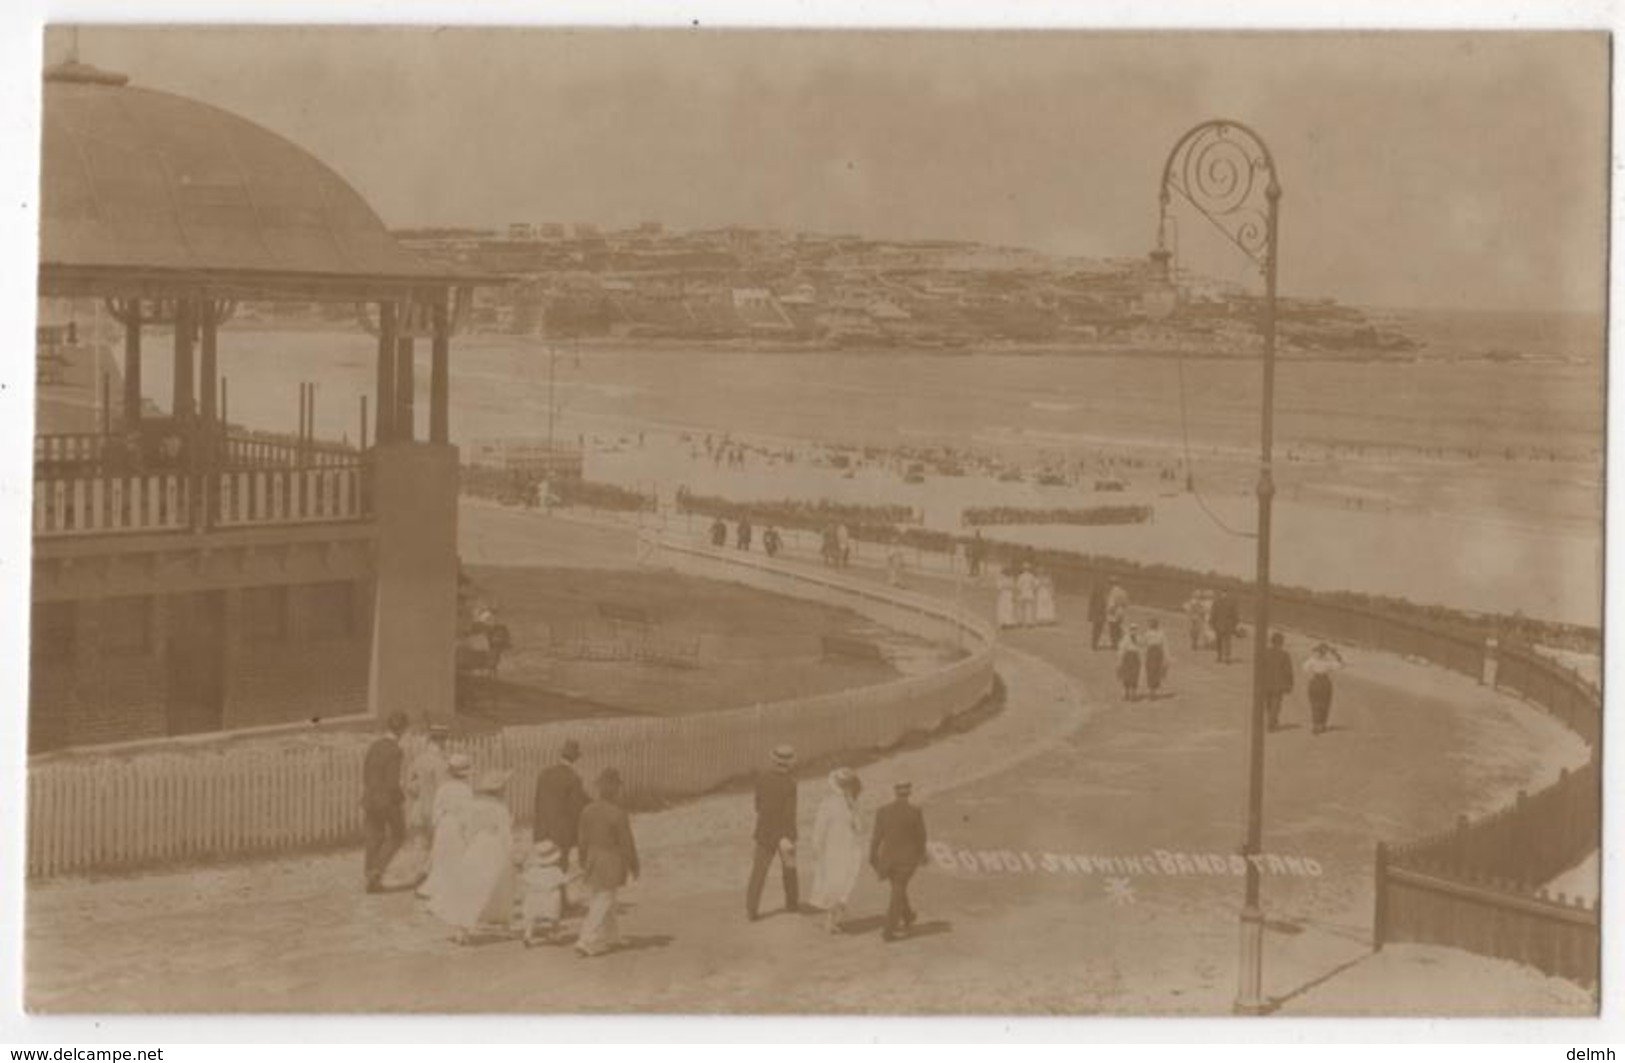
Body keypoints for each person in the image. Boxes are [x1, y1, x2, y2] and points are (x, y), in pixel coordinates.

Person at [430, 768, 519, 945]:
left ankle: (461, 928)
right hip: (494, 847)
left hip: (477, 846)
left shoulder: (473, 806)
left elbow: (467, 828)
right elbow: (505, 834)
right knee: (501, 885)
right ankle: (501, 922)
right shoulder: (500, 808)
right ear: (500, 790)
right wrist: (512, 852)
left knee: (471, 887)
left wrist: (468, 846)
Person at [576, 768, 640, 957]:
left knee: (605, 898)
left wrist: (583, 859)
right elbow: (627, 842)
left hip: (593, 858)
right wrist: (634, 864)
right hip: (611, 860)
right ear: (614, 790)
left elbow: (582, 840)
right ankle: (586, 940)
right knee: (603, 900)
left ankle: (612, 937)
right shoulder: (617, 813)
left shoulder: (587, 810)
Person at [870, 780, 928, 942]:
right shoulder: (915, 812)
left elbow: (875, 839)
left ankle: (908, 915)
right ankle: (888, 931)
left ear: (895, 792)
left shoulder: (882, 811)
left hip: (887, 860)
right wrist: (922, 855)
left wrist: (873, 858)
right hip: (907, 861)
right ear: (909, 792)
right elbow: (921, 837)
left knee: (898, 887)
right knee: (898, 890)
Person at [747, 744, 800, 921]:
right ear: (789, 763)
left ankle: (751, 910)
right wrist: (786, 836)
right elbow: (789, 813)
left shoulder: (761, 778)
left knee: (758, 872)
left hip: (765, 830)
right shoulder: (791, 783)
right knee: (790, 870)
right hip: (784, 832)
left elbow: (757, 805)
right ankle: (792, 904)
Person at [809, 767, 865, 935]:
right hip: (849, 848)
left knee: (832, 883)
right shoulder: (852, 804)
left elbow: (819, 828)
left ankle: (830, 921)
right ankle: (833, 921)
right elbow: (861, 828)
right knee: (844, 885)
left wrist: (816, 847)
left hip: (832, 849)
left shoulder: (827, 803)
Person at [360, 712, 409, 893]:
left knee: (374, 836)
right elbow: (392, 783)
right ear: (402, 730)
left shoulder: (374, 746)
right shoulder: (395, 750)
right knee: (398, 835)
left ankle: (369, 875)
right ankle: (376, 873)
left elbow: (365, 774)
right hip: (386, 800)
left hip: (369, 797)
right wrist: (400, 800)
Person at [418, 752, 475, 902]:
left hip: (444, 824)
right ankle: (453, 887)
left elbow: (436, 809)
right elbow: (468, 813)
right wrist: (467, 830)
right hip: (457, 825)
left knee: (441, 855)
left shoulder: (443, 788)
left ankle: (438, 885)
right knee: (456, 855)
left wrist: (437, 824)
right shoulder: (466, 790)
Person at [401, 722, 452, 883]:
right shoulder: (442, 763)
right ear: (441, 741)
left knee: (420, 843)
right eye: (443, 741)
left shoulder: (418, 760)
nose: (444, 744)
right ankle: (431, 877)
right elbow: (445, 789)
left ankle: (418, 874)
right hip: (435, 809)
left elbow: (408, 786)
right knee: (438, 844)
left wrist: (420, 792)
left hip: (419, 808)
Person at [533, 738, 589, 871]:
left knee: (544, 866)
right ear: (575, 759)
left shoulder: (544, 774)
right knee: (560, 868)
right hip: (561, 833)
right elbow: (577, 809)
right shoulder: (574, 778)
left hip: (542, 829)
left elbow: (537, 802)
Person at [518, 839, 579, 948]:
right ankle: (556, 934)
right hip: (550, 898)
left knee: (531, 918)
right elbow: (564, 880)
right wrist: (576, 875)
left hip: (534, 897)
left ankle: (528, 935)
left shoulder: (533, 870)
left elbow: (524, 879)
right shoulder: (556, 870)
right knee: (554, 918)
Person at [1304, 642, 1347, 735]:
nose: (1320, 653)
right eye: (1320, 651)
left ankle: (1317, 724)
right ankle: (1320, 724)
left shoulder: (1312, 660)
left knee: (1316, 703)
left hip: (1316, 681)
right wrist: (1336, 655)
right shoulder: (1328, 661)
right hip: (1324, 682)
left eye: (1320, 651)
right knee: (1324, 703)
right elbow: (1342, 665)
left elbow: (1305, 668)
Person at [1263, 632, 1295, 731]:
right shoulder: (1285, 655)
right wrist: (1290, 684)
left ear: (1272, 641)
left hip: (1266, 683)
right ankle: (1271, 722)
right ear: (1281, 643)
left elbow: (1259, 668)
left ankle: (1272, 720)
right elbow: (1288, 671)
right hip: (1278, 684)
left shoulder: (1265, 652)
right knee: (1276, 704)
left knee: (1268, 703)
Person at [1211, 591, 1241, 665]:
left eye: (1224, 593)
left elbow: (1213, 613)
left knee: (1222, 641)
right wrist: (1234, 625)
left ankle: (1222, 656)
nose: (1224, 594)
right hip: (1225, 624)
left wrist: (1212, 623)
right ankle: (1224, 656)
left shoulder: (1217, 602)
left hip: (1222, 624)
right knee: (1224, 641)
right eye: (1223, 593)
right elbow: (1236, 615)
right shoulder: (1229, 602)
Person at [1142, 619, 1169, 697]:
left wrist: (1166, 656)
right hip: (1150, 652)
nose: (1152, 625)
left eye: (1154, 624)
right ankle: (1151, 688)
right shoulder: (1147, 633)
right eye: (1151, 624)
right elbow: (1143, 643)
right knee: (1150, 669)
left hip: (1158, 653)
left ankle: (1153, 689)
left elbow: (1164, 645)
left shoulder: (1161, 633)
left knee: (1156, 670)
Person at [1118, 623, 1144, 702]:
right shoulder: (1125, 639)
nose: (1134, 631)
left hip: (1135, 658)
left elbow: (1141, 649)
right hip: (1127, 658)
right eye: (1132, 629)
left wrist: (1140, 659)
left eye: (1135, 629)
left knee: (1135, 675)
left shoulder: (1139, 638)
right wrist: (1120, 660)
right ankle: (1126, 693)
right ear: (1129, 630)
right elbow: (1121, 650)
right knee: (1126, 675)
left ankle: (1133, 694)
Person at [1106, 581, 1130, 650]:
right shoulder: (1123, 592)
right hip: (1121, 611)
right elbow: (1126, 603)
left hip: (1114, 612)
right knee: (1118, 628)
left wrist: (1108, 610)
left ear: (1112, 584)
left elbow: (1112, 604)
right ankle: (1119, 643)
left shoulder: (1113, 592)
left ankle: (1114, 644)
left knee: (1112, 629)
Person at [1087, 581, 1109, 650]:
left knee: (1096, 630)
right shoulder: (1103, 597)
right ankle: (1094, 644)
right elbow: (1105, 606)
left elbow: (1091, 606)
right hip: (1100, 615)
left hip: (1097, 614)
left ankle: (1094, 644)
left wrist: (1090, 616)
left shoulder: (1094, 597)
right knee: (1098, 630)